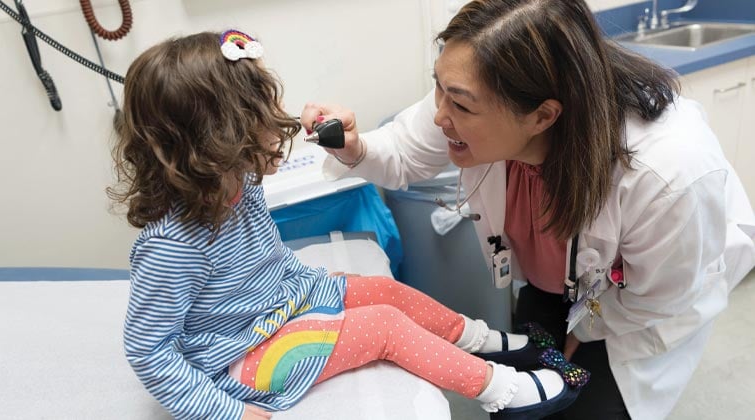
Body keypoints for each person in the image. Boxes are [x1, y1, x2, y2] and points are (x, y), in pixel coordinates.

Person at [300, 1, 755, 419]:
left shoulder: (666, 174)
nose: (440, 115)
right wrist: (356, 147)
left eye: (458, 104)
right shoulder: (473, 91)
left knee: (589, 408)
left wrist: (584, 333)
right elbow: (402, 152)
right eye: (438, 88)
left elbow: (660, 295)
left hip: (638, 307)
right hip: (555, 279)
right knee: (528, 398)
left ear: (543, 116)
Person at [108, 30, 592, 420]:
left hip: (283, 308)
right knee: (383, 326)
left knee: (386, 292)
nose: (279, 126)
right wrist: (225, 413)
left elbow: (271, 265)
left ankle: (484, 342)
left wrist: (327, 288)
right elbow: (150, 351)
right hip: (240, 361)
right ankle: (503, 391)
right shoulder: (171, 246)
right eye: (260, 116)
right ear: (216, 140)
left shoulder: (241, 185)